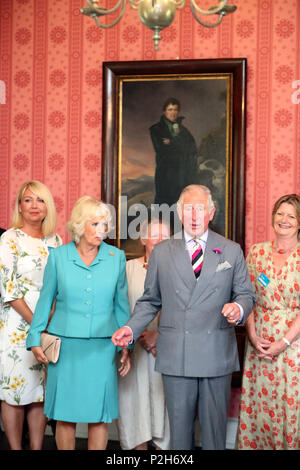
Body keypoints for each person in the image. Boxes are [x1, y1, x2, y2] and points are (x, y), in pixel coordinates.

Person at [112, 184, 256, 450]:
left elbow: (246, 294)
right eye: (188, 208)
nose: (194, 215)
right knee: (179, 435)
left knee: (214, 435)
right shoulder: (162, 252)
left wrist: (239, 308)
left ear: (211, 212)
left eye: (200, 209)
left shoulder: (231, 250)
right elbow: (150, 301)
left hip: (216, 352)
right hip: (177, 353)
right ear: (178, 212)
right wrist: (131, 330)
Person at [26, 196, 131, 450]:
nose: (101, 231)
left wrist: (126, 344)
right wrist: (35, 337)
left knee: (99, 416)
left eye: (104, 225)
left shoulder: (116, 257)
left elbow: (121, 306)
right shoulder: (59, 257)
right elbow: (45, 300)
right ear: (80, 225)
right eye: (94, 224)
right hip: (66, 348)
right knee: (65, 414)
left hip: (102, 347)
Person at [0, 181, 61, 450]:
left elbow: (61, 285)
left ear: (48, 207)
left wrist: (51, 318)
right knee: (15, 391)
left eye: (40, 200)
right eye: (28, 200)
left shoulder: (55, 241)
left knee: (39, 393)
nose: (34, 205)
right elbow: (9, 288)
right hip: (16, 324)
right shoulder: (10, 238)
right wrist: (38, 320)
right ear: (20, 208)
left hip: (49, 322)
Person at [237, 194, 300, 450]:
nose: (283, 220)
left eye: (291, 216)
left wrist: (284, 341)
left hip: (294, 347)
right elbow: (246, 295)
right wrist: (251, 333)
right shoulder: (256, 252)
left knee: (289, 405)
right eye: (280, 213)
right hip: (258, 346)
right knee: (259, 408)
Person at [117, 218, 170, 450]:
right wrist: (138, 337)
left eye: (165, 237)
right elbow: (122, 308)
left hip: (166, 349)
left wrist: (158, 337)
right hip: (134, 349)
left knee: (163, 406)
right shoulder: (128, 268)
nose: (159, 241)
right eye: (154, 235)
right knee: (134, 407)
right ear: (143, 239)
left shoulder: (180, 270)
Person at [150, 98, 199, 208]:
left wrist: (171, 142)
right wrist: (180, 146)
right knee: (165, 205)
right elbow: (161, 149)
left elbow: (192, 149)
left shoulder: (184, 130)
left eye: (175, 110)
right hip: (166, 173)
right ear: (164, 111)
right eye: (170, 109)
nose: (173, 112)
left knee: (181, 204)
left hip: (183, 173)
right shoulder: (156, 129)